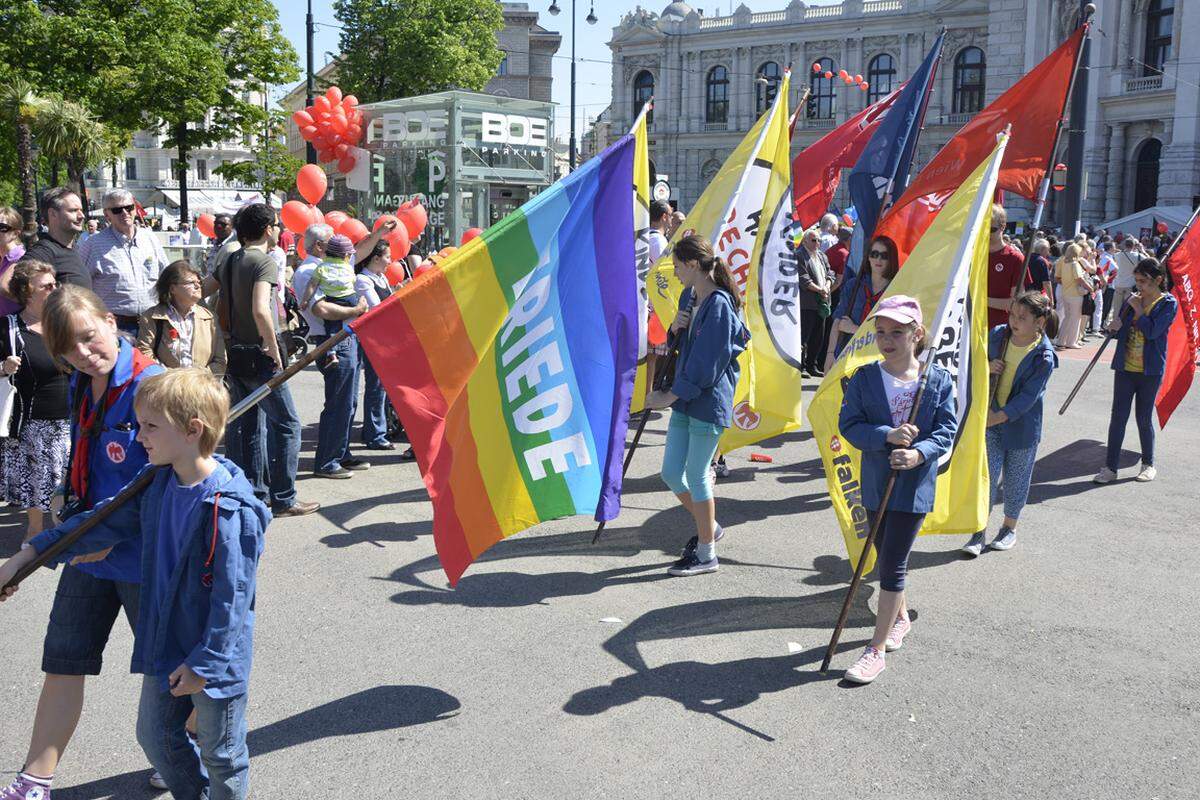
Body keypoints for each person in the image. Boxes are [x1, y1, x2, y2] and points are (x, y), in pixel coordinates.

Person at [0, 368, 269, 800]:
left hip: (214, 659)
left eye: (149, 427)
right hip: (165, 645)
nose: (139, 437)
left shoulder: (230, 509)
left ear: (191, 430)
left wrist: (205, 663)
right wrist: (29, 554)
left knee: (222, 754)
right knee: (156, 738)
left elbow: (232, 600)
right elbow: (97, 523)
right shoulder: (156, 482)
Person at [0, 285, 165, 800]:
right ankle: (35, 779)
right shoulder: (83, 384)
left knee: (168, 671)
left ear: (111, 322)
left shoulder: (151, 386)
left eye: (90, 338)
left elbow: (155, 491)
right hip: (87, 553)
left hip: (142, 558)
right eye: (69, 348)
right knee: (63, 662)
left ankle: (187, 749)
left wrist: (45, 548)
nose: (84, 354)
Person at [838, 295, 957, 684]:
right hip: (874, 484)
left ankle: (874, 650)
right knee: (882, 551)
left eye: (897, 332)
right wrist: (886, 435)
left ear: (916, 334)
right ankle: (900, 616)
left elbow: (946, 429)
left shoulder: (936, 380)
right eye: (881, 332)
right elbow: (849, 425)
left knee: (892, 564)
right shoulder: (865, 378)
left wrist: (919, 454)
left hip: (912, 490)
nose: (887, 340)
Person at [643, 235, 749, 577]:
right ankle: (710, 527)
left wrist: (668, 396)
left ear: (692, 265)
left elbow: (708, 366)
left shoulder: (718, 304)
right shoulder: (692, 295)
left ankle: (706, 553)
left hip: (707, 401)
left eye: (676, 267)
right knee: (672, 472)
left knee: (698, 475)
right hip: (687, 399)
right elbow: (682, 346)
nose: (673, 273)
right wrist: (675, 328)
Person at [211, 203, 318, 517]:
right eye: (276, 225)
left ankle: (252, 491)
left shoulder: (230, 259)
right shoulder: (265, 262)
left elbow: (207, 293)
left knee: (247, 424)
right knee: (286, 424)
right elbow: (261, 308)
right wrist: (272, 347)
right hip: (259, 355)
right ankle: (284, 497)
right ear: (268, 229)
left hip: (235, 353)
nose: (280, 231)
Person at [962, 292, 1059, 556]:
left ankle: (1008, 528)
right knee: (987, 477)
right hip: (990, 420)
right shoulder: (998, 335)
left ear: (1039, 322)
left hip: (1021, 427)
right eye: (1013, 314)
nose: (1014, 321)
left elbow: (1029, 397)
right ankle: (978, 531)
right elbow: (970, 362)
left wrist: (999, 416)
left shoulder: (1044, 356)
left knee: (1016, 480)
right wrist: (985, 366)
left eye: (1022, 317)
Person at [0, 261, 70, 541]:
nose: (55, 290)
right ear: (28, 292)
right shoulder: (9, 327)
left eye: (56, 284)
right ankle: (35, 533)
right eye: (47, 286)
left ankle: (64, 537)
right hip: (32, 424)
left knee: (66, 485)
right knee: (38, 485)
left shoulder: (64, 324)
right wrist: (3, 368)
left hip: (70, 420)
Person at [1094, 258, 1178, 485]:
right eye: (1137, 280)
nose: (1139, 285)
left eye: (1144, 281)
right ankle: (1110, 467)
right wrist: (1114, 328)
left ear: (1158, 280)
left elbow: (1152, 332)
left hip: (1150, 371)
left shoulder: (1167, 303)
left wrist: (1139, 310)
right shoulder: (1132, 300)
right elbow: (1121, 332)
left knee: (1143, 418)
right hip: (1125, 367)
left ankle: (1148, 463)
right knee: (1117, 418)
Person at [79, 188, 170, 334]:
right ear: (106, 214)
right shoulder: (92, 245)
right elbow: (80, 288)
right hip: (116, 327)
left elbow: (167, 274)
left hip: (153, 322)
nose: (125, 213)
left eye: (129, 207)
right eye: (117, 210)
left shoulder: (150, 238)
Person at [136, 260, 225, 374]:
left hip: (201, 387)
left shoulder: (209, 318)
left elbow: (220, 361)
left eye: (199, 282)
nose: (198, 286)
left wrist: (197, 380)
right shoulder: (151, 317)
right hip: (165, 387)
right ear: (172, 289)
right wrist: (172, 379)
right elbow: (144, 354)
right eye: (191, 282)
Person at [353, 239, 399, 452]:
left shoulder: (381, 278)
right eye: (387, 257)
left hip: (386, 339)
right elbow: (376, 308)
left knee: (383, 386)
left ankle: (380, 427)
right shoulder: (363, 279)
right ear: (375, 258)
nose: (390, 261)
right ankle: (374, 433)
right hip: (373, 340)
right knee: (376, 387)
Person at [827, 234, 899, 367]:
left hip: (878, 360)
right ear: (868, 257)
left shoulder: (896, 291)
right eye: (874, 254)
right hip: (846, 356)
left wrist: (855, 329)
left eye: (884, 255)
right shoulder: (853, 286)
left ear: (891, 260)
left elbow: (893, 334)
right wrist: (830, 354)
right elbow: (838, 321)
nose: (878, 259)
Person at [19, 187, 92, 291]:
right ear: (53, 214)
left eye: (81, 210)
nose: (82, 216)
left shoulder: (73, 248)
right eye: (73, 210)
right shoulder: (43, 252)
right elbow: (13, 286)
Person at [298, 233, 357, 337]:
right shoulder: (348, 267)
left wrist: (305, 300)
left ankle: (332, 348)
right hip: (350, 298)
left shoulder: (321, 267)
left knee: (331, 322)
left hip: (332, 299)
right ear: (346, 255)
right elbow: (353, 281)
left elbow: (312, 285)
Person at [796, 227, 831, 378]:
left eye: (819, 240)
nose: (817, 243)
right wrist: (819, 290)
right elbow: (803, 279)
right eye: (814, 240)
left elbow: (830, 273)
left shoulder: (822, 256)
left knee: (818, 336)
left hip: (822, 302)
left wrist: (827, 286)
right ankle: (801, 366)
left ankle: (812, 365)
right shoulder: (799, 256)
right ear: (804, 241)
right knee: (804, 336)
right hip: (807, 303)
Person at [291, 222, 334, 343]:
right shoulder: (307, 272)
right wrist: (354, 310)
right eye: (332, 242)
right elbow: (321, 310)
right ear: (319, 246)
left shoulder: (324, 266)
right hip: (327, 337)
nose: (337, 245)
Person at [985, 205, 1026, 329]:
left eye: (991, 229)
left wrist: (980, 300)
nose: (987, 233)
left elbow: (1016, 302)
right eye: (983, 229)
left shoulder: (1015, 258)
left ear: (1003, 227)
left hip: (998, 328)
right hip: (969, 326)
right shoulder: (973, 255)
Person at [1053, 243, 1089, 350]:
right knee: (1075, 318)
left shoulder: (1063, 262)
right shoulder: (1075, 264)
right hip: (1075, 294)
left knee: (1067, 317)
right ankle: (1071, 341)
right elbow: (1079, 279)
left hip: (1065, 292)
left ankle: (1061, 341)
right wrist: (1090, 288)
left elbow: (1058, 278)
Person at [0, 206, 27, 315]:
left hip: (13, 327)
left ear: (16, 233)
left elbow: (30, 299)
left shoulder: (22, 259)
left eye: (1, 227)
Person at [1108, 237, 1139, 324]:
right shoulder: (1137, 256)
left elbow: (1117, 252)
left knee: (1116, 307)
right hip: (1130, 284)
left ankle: (1114, 324)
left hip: (1119, 283)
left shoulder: (1118, 255)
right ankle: (1124, 324)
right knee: (1127, 307)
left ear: (1125, 245)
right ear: (1134, 246)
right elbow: (1149, 258)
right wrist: (1141, 249)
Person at [205, 213, 237, 278]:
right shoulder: (214, 243)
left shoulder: (234, 247)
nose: (219, 226)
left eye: (223, 224)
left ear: (232, 226)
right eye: (216, 223)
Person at [1024, 238, 1054, 302]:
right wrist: (1051, 300)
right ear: (1043, 249)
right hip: (1038, 295)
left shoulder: (1025, 258)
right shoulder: (1042, 261)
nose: (1048, 252)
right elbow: (1046, 282)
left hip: (1025, 294)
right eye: (1047, 250)